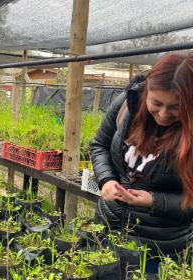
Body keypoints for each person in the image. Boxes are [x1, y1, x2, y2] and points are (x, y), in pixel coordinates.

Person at [91, 53, 193, 263]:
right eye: (156, 102)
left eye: (175, 107)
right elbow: (99, 145)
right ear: (147, 89)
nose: (163, 114)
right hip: (109, 227)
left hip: (161, 247)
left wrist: (154, 201)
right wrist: (106, 179)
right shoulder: (128, 105)